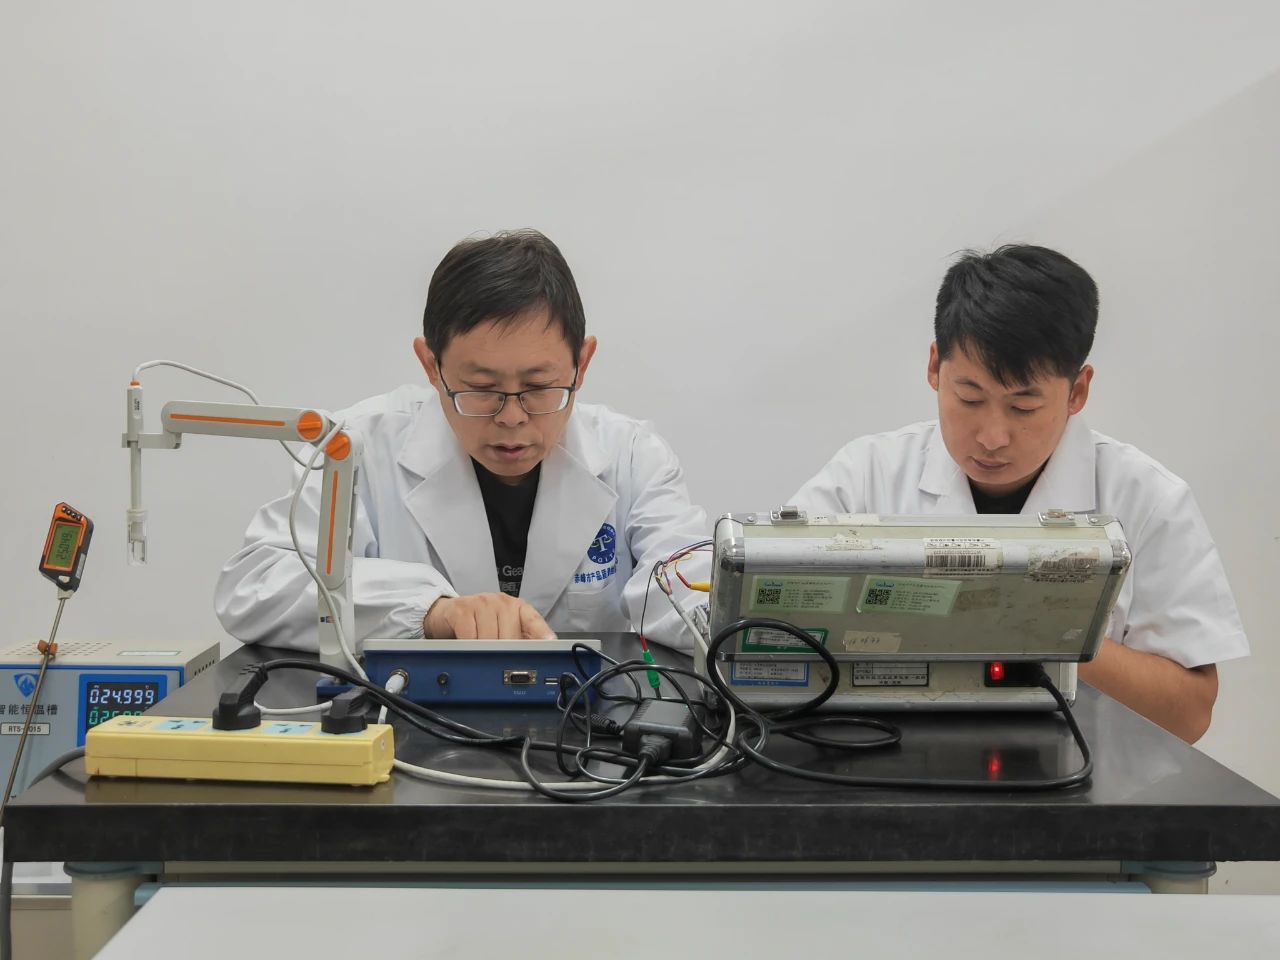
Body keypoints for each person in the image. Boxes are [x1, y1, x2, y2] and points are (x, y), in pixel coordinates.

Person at [790, 244, 1247, 742]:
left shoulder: (1147, 498)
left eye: (1023, 407)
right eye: (969, 398)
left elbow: (1189, 715)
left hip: (1082, 770)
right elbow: (771, 633)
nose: (992, 437)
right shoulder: (865, 476)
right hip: (882, 756)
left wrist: (1038, 633)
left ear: (1077, 392)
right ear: (935, 367)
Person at [216, 229, 707, 651]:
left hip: (592, 725)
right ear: (431, 366)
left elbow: (689, 586)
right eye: (481, 389)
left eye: (539, 387)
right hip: (404, 719)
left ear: (582, 363)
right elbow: (255, 587)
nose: (512, 418)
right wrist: (429, 610)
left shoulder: (632, 457)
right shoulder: (355, 448)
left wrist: (719, 615)